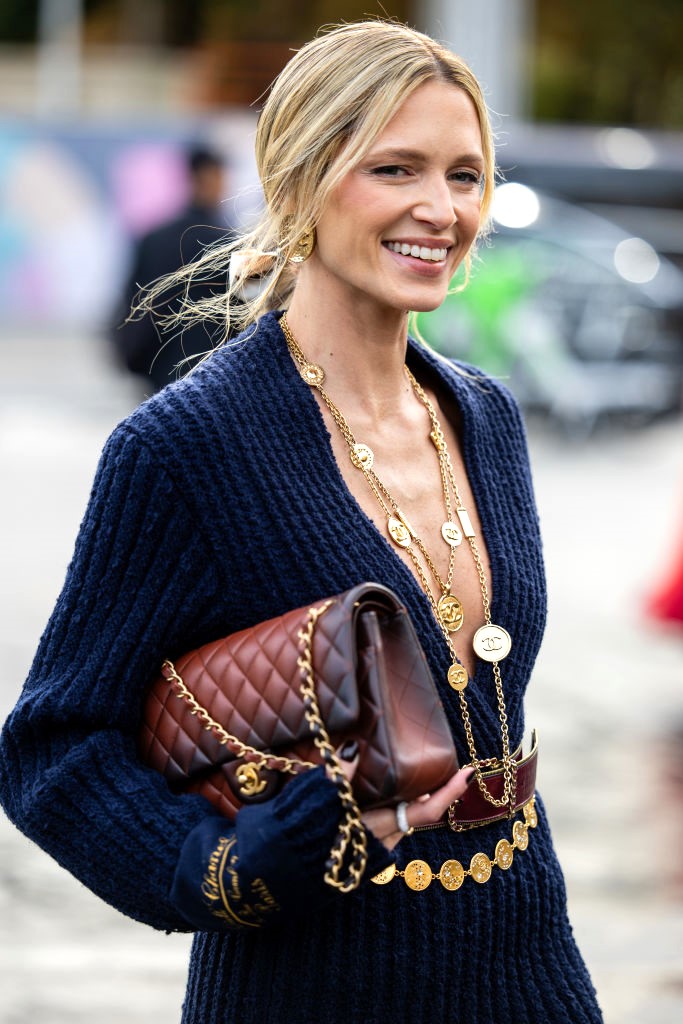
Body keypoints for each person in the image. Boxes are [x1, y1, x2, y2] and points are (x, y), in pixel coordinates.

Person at [0, 20, 603, 1024]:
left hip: (525, 956)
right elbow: (52, 749)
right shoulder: (186, 446)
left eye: (463, 175)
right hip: (307, 984)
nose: (437, 208)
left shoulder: (484, 416)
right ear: (301, 180)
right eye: (395, 168)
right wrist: (217, 866)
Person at [110, 144, 235, 391]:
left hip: (158, 368)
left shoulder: (155, 237)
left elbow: (132, 302)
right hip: (212, 371)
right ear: (207, 177)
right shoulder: (227, 243)